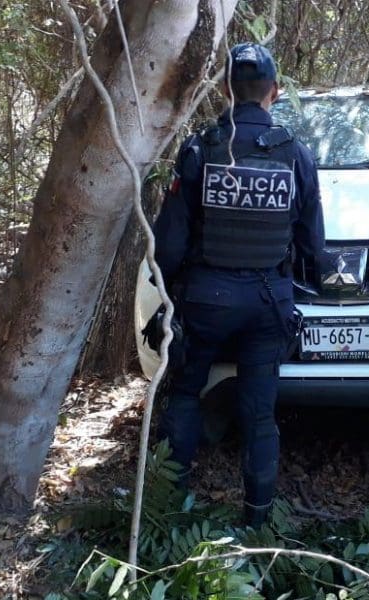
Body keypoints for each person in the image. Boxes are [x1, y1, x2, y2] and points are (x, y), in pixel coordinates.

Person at [152, 42, 325, 527]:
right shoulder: (295, 154)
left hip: (206, 299)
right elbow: (312, 243)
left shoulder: (201, 148)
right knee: (259, 413)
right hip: (269, 303)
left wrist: (166, 296)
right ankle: (256, 522)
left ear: (226, 90)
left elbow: (171, 241)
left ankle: (169, 514)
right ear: (275, 91)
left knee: (185, 393)